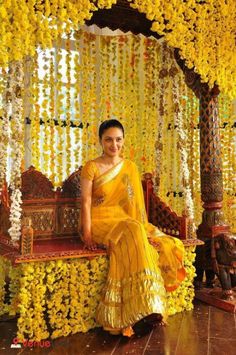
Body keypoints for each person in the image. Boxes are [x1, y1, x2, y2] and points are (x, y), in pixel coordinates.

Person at [80, 119, 186, 337]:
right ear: (100, 140)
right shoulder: (91, 167)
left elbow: (136, 205)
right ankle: (136, 311)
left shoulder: (129, 167)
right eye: (109, 140)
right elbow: (85, 203)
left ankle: (146, 307)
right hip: (100, 222)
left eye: (118, 140)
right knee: (133, 231)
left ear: (123, 141)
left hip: (124, 221)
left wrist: (141, 225)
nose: (114, 145)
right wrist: (87, 235)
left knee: (144, 233)